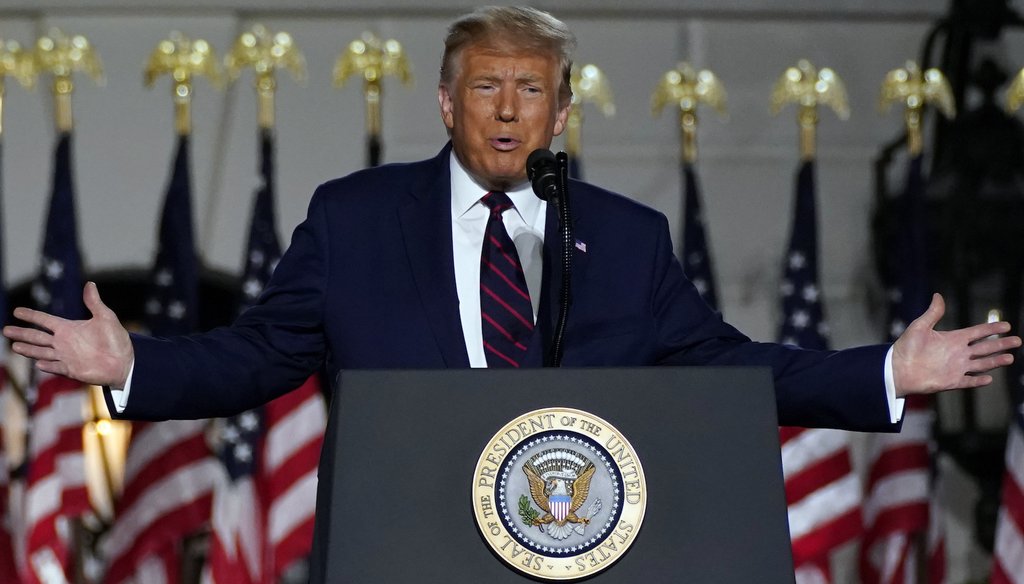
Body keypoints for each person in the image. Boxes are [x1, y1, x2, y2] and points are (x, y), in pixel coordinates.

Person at [3, 7, 1019, 432]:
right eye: (483, 86)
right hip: (401, 544)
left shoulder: (622, 237)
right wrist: (134, 362)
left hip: (577, 544)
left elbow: (723, 363)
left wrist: (885, 371)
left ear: (561, 109)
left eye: (528, 90)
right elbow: (260, 354)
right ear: (444, 102)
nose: (504, 109)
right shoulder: (355, 222)